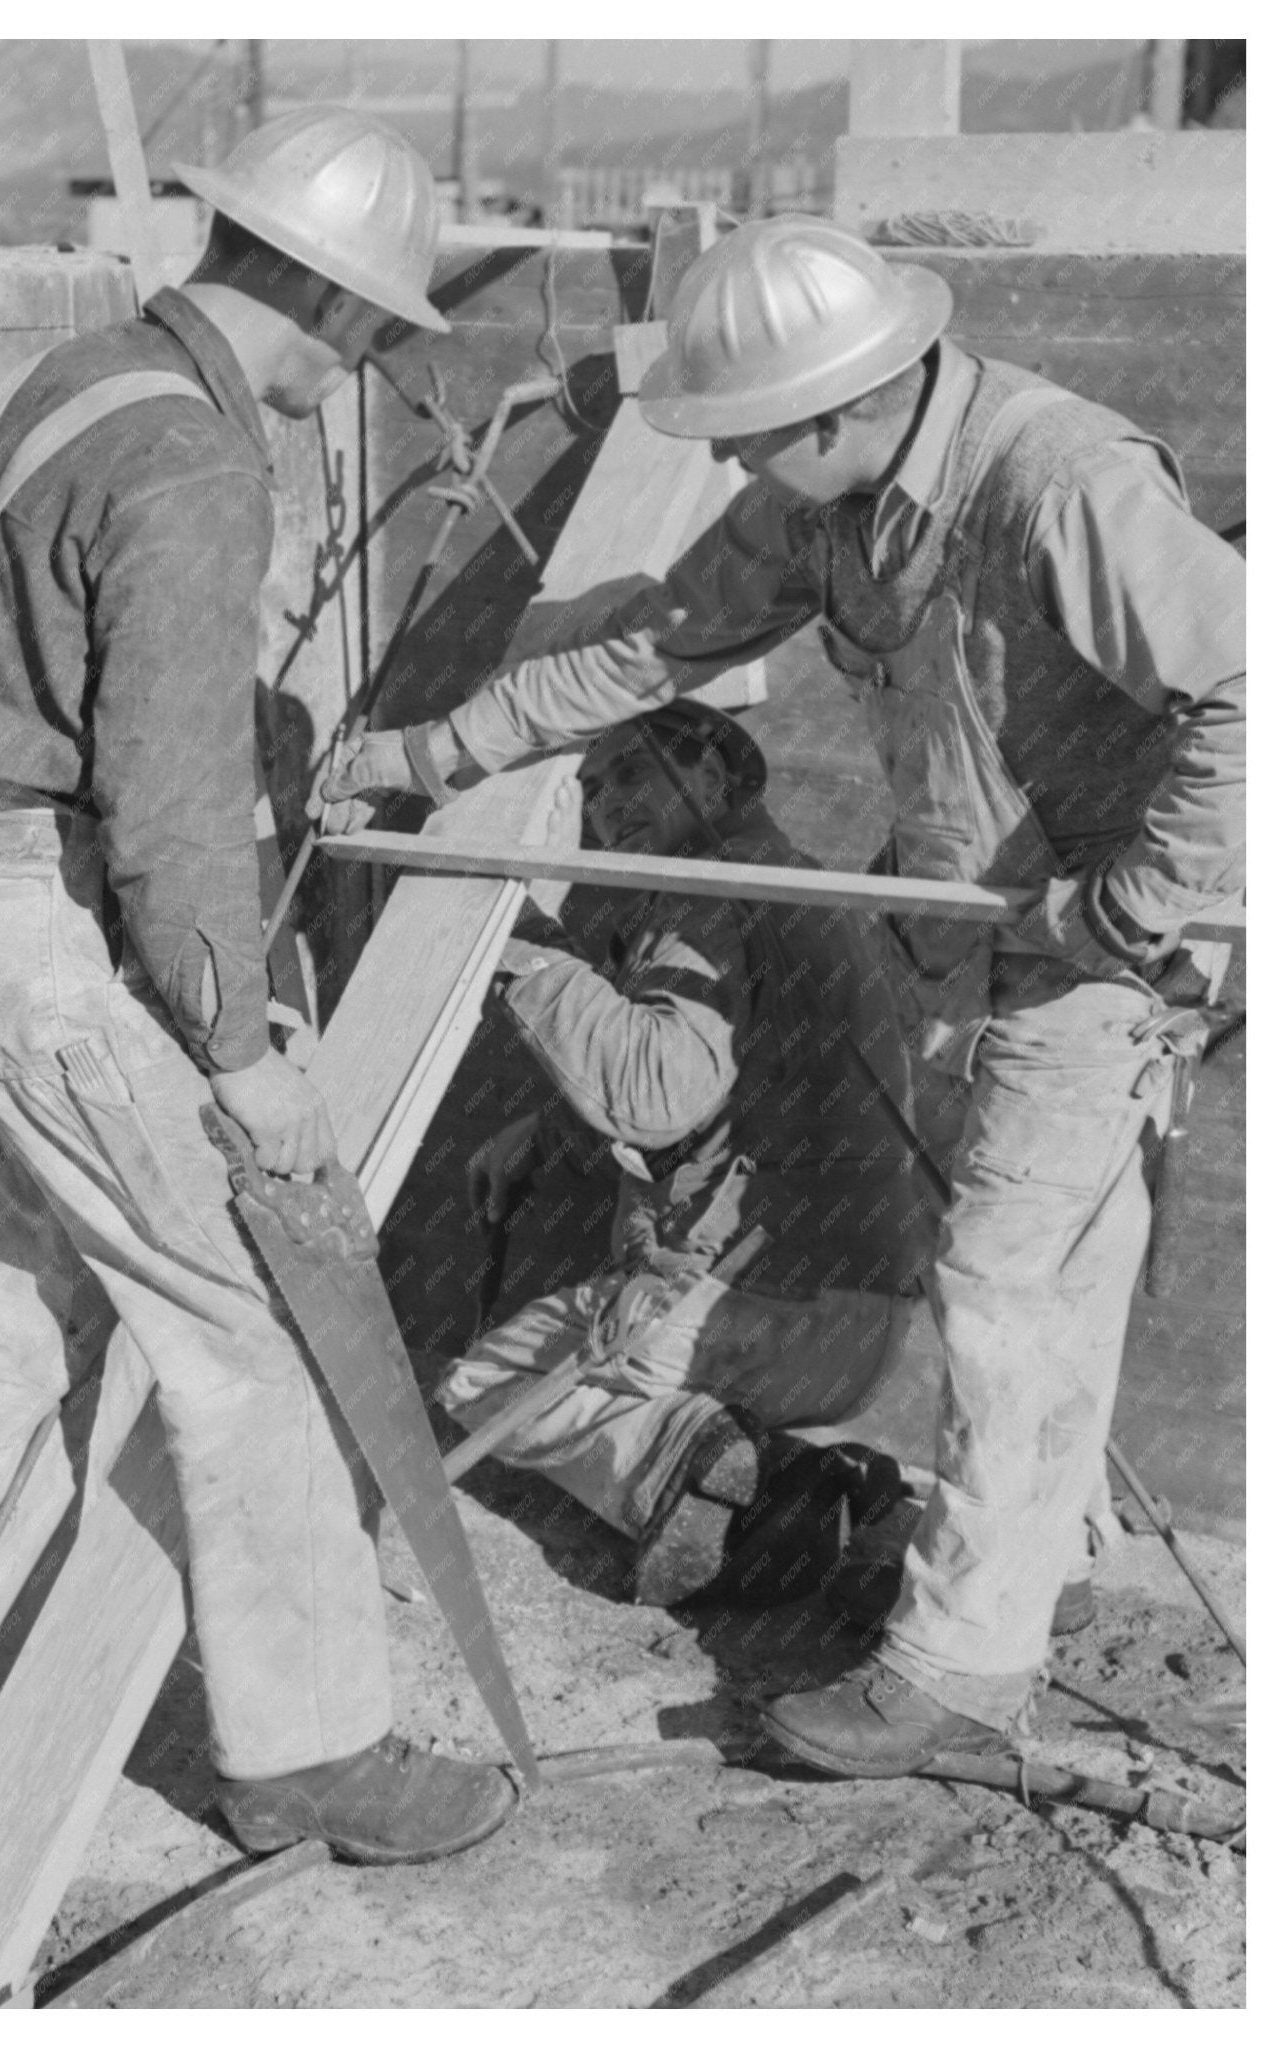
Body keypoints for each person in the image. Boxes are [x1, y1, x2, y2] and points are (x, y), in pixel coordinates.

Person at [315, 217, 1245, 1777]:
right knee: (1027, 1289)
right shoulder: (829, 506)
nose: (734, 461)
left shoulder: (1058, 481)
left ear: (839, 407)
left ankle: (952, 1676)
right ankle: (1024, 1575)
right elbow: (647, 649)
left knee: (1011, 1293)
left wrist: (1138, 902)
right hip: (978, 942)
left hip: (1093, 960)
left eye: (748, 434)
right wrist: (426, 756)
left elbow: (1248, 687)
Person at [0, 107, 515, 1862]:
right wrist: (240, 1052)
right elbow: (174, 801)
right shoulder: (192, 461)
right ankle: (312, 1751)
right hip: (42, 927)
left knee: (11, 1342)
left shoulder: (78, 376)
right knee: (246, 1332)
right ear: (344, 313)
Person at [439, 702, 927, 1606]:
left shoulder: (709, 890)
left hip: (748, 1304)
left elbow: (656, 1097)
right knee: (645, 1390)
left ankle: (726, 1486)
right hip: (867, 1319)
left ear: (710, 776)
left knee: (485, 1380)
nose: (603, 802)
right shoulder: (810, 889)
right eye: (588, 788)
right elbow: (743, 1087)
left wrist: (526, 945)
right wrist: (545, 1137)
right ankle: (821, 1496)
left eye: (628, 772)